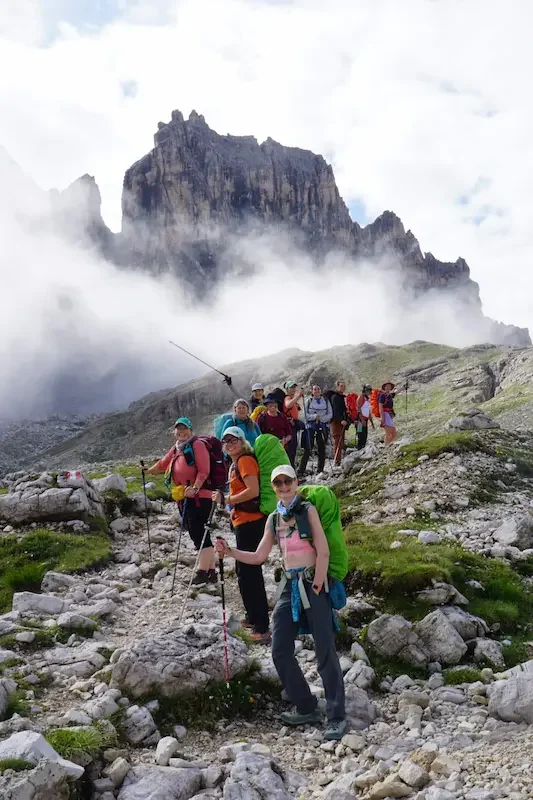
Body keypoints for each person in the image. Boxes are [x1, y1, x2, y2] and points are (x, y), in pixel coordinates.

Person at [215, 464, 347, 741]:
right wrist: (230, 552)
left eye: (288, 481)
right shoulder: (274, 518)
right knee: (279, 649)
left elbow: (322, 550)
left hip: (313, 582)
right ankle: (306, 705)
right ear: (273, 487)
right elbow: (259, 555)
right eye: (279, 483)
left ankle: (336, 716)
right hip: (289, 584)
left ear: (297, 483)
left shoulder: (308, 511)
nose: (284, 487)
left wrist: (320, 582)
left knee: (325, 650)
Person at [212, 427, 270, 643]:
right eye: (225, 441)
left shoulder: (245, 461)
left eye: (234, 439)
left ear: (242, 442)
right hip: (243, 521)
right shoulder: (235, 463)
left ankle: (262, 626)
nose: (229, 444)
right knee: (243, 571)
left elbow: (253, 491)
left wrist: (226, 500)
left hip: (251, 522)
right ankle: (253, 617)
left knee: (251, 573)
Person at [144, 417, 216, 585]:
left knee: (198, 532)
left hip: (199, 496)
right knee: (197, 532)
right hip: (185, 497)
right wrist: (148, 470)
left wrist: (195, 488)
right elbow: (163, 463)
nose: (181, 432)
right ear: (173, 432)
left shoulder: (197, 445)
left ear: (191, 430)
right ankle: (211, 571)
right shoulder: (177, 447)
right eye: (178, 429)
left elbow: (204, 471)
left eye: (184, 429)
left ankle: (202, 571)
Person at [298, 385, 332, 475]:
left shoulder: (326, 401)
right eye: (315, 389)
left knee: (322, 448)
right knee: (308, 448)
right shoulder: (308, 401)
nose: (316, 390)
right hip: (311, 426)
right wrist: (314, 417)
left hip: (322, 426)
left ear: (320, 391)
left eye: (318, 389)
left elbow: (330, 414)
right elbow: (304, 414)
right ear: (312, 392)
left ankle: (320, 469)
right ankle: (301, 470)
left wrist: (322, 418)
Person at [283, 381, 309, 470]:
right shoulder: (287, 398)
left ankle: (292, 471)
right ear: (287, 389)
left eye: (294, 387)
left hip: (293, 425)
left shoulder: (292, 399)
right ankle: (290, 472)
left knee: (293, 449)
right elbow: (288, 404)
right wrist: (298, 396)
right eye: (291, 387)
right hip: (289, 427)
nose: (293, 389)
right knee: (291, 450)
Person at [329, 380, 349, 466]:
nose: (343, 388)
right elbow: (335, 410)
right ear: (337, 387)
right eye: (341, 386)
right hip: (336, 422)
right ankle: (337, 461)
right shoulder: (335, 397)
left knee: (340, 441)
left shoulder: (342, 397)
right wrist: (341, 420)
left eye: (344, 386)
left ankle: (338, 460)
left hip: (341, 422)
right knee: (338, 441)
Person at [355, 385, 374, 450]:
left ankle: (362, 448)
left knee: (365, 434)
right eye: (369, 390)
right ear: (365, 390)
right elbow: (358, 409)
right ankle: (359, 448)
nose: (370, 392)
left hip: (365, 420)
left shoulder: (366, 398)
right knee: (360, 434)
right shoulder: (360, 397)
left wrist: (372, 422)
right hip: (359, 420)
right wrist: (362, 419)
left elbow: (368, 411)